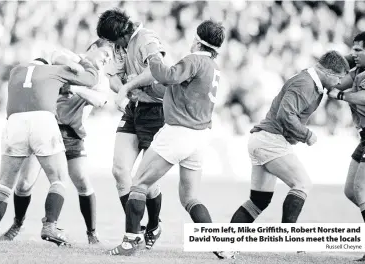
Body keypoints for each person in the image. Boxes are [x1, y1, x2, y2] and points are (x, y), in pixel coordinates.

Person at [108, 20, 227, 258]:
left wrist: (151, 56)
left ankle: (130, 242)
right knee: (190, 197)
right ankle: (219, 245)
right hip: (200, 137)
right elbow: (176, 87)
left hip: (178, 131)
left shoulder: (194, 59)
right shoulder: (214, 66)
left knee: (138, 183)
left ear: (197, 40)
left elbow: (167, 75)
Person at [222, 50, 349, 257]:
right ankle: (289, 236)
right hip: (271, 140)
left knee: (258, 202)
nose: (339, 82)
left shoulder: (309, 81)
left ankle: (226, 245)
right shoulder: (305, 83)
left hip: (263, 139)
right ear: (326, 71)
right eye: (338, 77)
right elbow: (285, 114)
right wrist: (306, 134)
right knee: (302, 183)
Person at [0, 39, 113, 245]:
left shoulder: (99, 79)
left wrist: (74, 88)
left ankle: (92, 233)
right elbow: (52, 55)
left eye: (110, 58)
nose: (107, 60)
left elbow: (100, 100)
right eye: (105, 54)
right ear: (93, 48)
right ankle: (17, 224)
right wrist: (67, 63)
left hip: (71, 134)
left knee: (83, 182)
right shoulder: (70, 61)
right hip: (46, 127)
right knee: (24, 184)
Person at [97, 8, 167, 249]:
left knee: (145, 180)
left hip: (157, 111)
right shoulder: (119, 46)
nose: (110, 45)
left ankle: (155, 226)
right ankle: (135, 233)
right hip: (134, 109)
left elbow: (155, 71)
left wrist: (128, 88)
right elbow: (113, 76)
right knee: (119, 171)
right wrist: (122, 89)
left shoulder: (146, 38)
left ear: (118, 35)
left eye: (110, 40)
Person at [327, 31, 365, 262]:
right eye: (353, 49)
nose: (354, 54)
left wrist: (340, 95)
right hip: (363, 137)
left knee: (360, 189)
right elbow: (338, 82)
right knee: (351, 190)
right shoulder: (358, 72)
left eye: (359, 50)